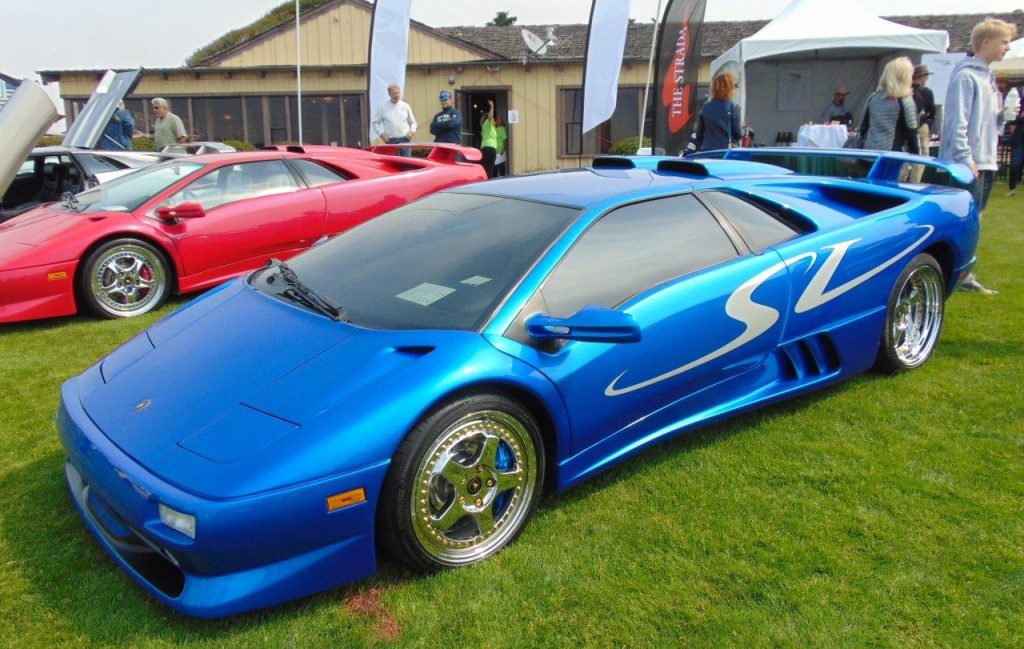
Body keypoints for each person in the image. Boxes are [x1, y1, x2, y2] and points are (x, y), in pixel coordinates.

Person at [939, 17, 1018, 295]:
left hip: (986, 158)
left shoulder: (988, 76)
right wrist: (964, 157)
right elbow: (956, 121)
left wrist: (1004, 115)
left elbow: (989, 121)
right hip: (969, 162)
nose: (1007, 47)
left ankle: (964, 273)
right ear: (986, 42)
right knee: (965, 221)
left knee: (977, 218)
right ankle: (958, 274)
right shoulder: (966, 76)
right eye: (1004, 41)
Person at [859, 57, 918, 154]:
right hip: (893, 156)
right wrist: (916, 155)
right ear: (904, 77)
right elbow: (912, 133)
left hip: (869, 152)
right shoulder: (905, 100)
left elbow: (863, 127)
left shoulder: (873, 97)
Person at [695, 72, 741, 152]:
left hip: (707, 150)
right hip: (726, 151)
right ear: (729, 88)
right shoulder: (733, 107)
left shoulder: (706, 107)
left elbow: (699, 134)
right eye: (735, 86)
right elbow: (737, 134)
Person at [371, 83, 417, 156]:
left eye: (398, 93)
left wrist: (411, 132)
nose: (397, 95)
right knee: (393, 163)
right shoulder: (383, 107)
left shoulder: (405, 106)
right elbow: (375, 123)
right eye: (395, 93)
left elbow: (413, 122)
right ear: (389, 94)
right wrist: (381, 134)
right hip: (390, 140)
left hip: (405, 139)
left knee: (407, 163)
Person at [909, 65, 937, 182]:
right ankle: (914, 182)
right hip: (921, 125)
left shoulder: (906, 90)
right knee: (922, 155)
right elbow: (932, 110)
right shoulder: (926, 91)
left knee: (906, 155)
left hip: (908, 125)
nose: (927, 79)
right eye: (926, 76)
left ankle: (900, 180)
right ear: (921, 77)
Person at [1007, 100, 1024, 196]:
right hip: (1019, 140)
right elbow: (1011, 120)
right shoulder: (1019, 106)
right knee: (1015, 165)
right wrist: (1021, 118)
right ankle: (1012, 188)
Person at [479, 99, 498, 178]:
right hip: (489, 148)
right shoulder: (487, 124)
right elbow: (490, 117)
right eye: (493, 118)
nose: (494, 119)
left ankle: (486, 180)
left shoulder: (488, 127)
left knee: (487, 167)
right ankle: (488, 181)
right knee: (489, 167)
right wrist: (492, 106)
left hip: (487, 147)